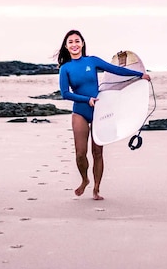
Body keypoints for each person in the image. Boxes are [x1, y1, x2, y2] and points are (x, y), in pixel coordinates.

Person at [57, 30, 151, 200]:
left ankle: (96, 189)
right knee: (80, 153)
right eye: (70, 42)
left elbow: (115, 70)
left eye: (77, 41)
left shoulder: (92, 61)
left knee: (98, 151)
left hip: (100, 110)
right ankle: (85, 179)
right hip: (81, 111)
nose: (74, 44)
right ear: (66, 46)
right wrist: (87, 99)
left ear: (83, 43)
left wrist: (139, 75)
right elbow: (65, 93)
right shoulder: (65, 68)